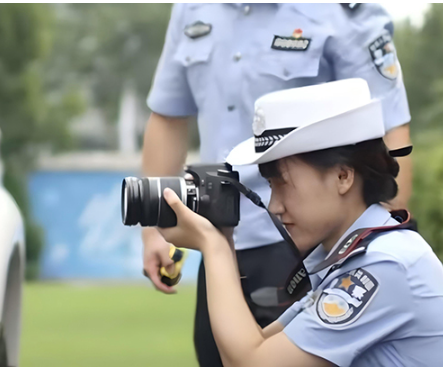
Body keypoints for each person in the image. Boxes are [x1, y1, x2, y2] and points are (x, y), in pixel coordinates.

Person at [141, 3, 413, 366]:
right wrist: (153, 230)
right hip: (217, 231)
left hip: (309, 247)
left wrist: (374, 243)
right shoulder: (192, 8)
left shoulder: (341, 11)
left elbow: (387, 127)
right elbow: (168, 115)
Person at [157, 79, 443, 367]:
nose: (274, 206)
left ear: (343, 176)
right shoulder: (347, 258)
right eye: (270, 187)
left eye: (283, 184)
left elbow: (253, 364)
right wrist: (224, 238)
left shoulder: (384, 265)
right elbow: (254, 346)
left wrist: (213, 247)